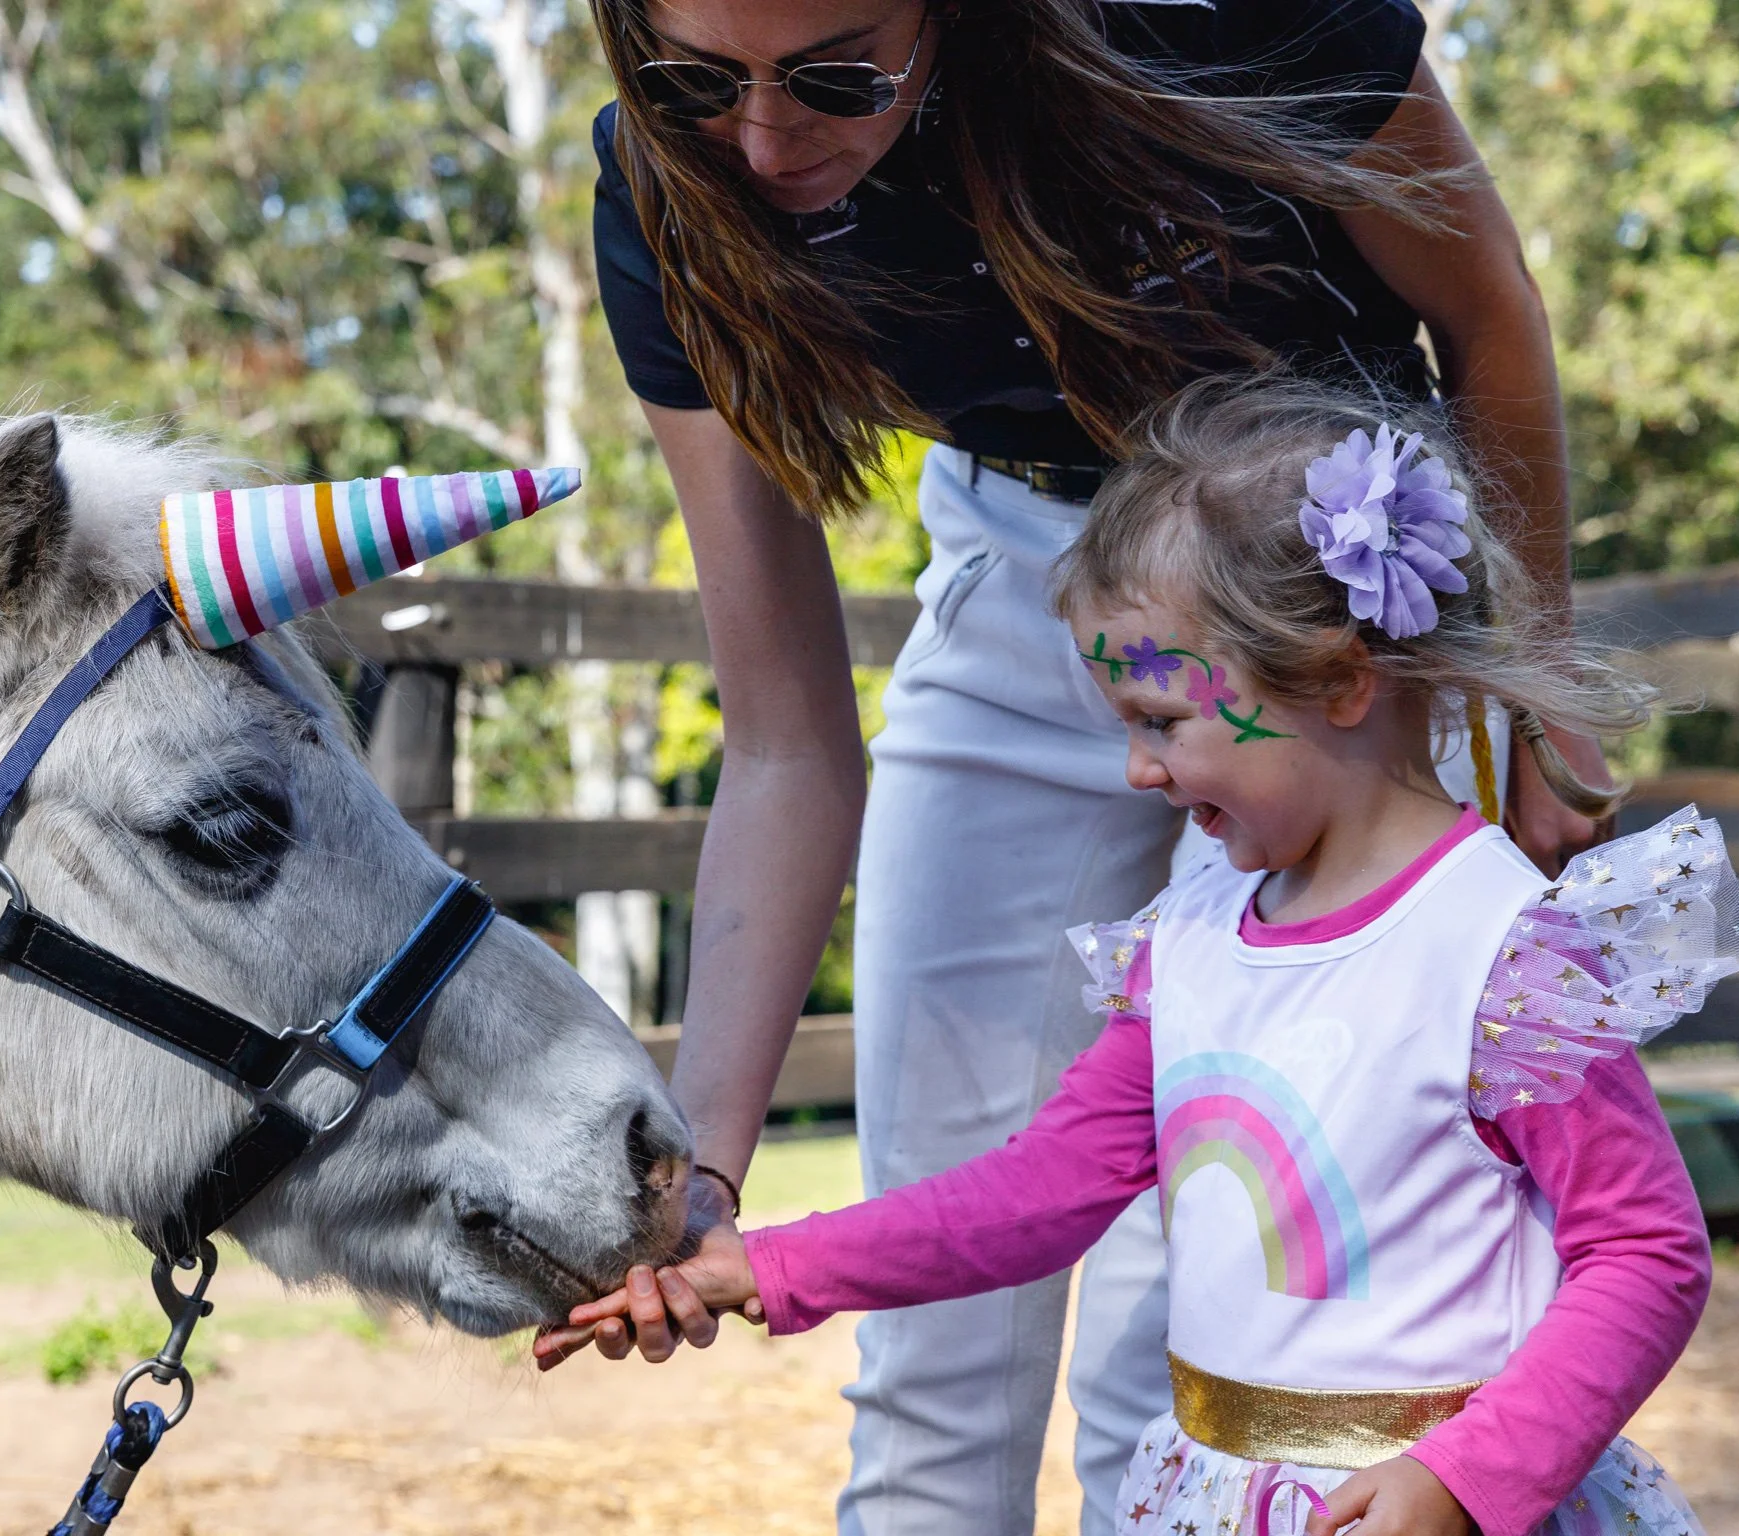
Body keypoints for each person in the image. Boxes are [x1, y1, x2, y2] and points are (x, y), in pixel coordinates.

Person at [576, 2, 1610, 1530]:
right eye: (694, 79)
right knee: (937, 1363)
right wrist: (701, 1181)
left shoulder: (1212, 17)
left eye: (838, 74)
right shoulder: (670, 189)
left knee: (1193, 1329)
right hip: (1024, 562)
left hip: (1300, 611)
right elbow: (786, 741)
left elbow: (1489, 310)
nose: (764, 140)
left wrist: (1537, 686)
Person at [540, 378, 1739, 1536]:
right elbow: (1032, 1194)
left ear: (1338, 679)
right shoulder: (1190, 948)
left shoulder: (1503, 957)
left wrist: (1468, 1477)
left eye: (1162, 722)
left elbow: (1645, 1254)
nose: (1137, 772)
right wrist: (761, 1267)